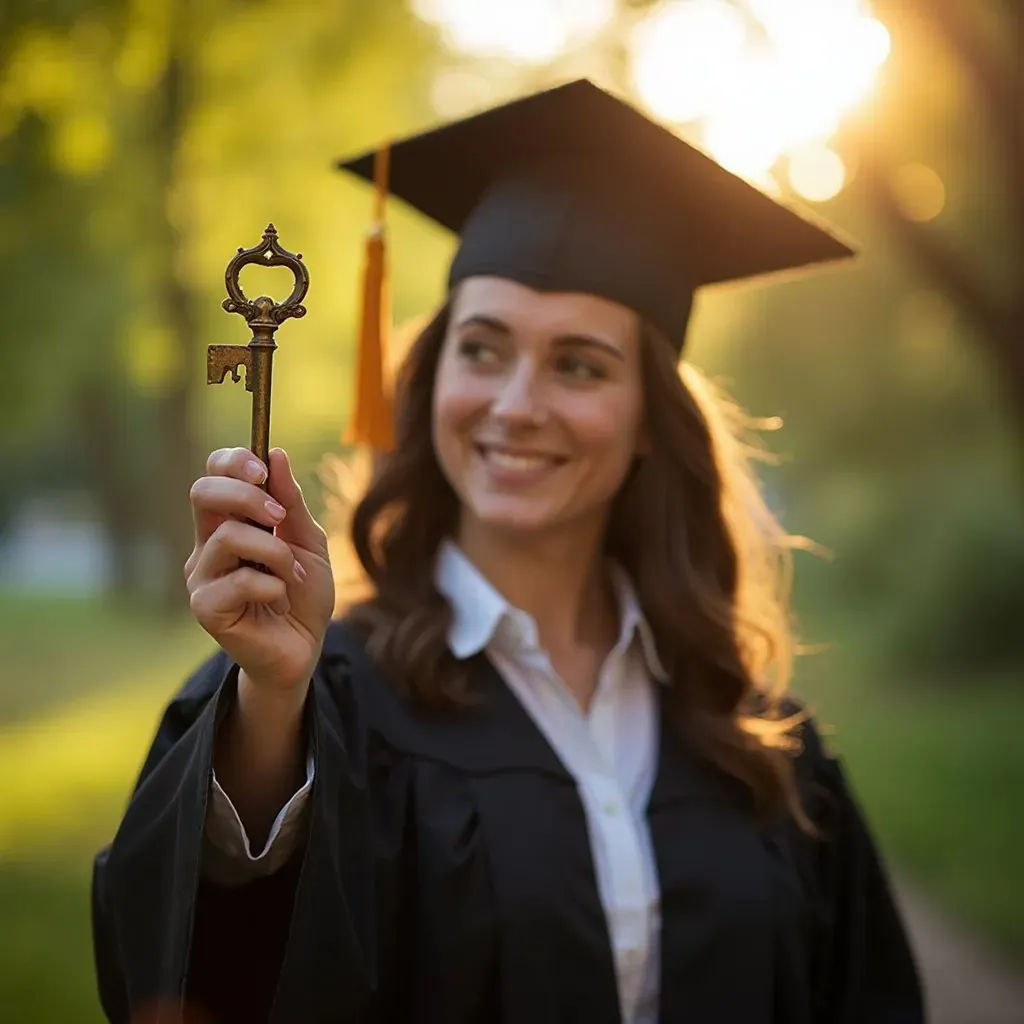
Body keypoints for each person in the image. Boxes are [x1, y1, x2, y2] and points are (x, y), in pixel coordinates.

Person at [92, 80, 925, 1024]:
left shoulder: (757, 739)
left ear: (653, 416)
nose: (517, 403)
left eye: (579, 364)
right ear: (431, 374)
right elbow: (199, 972)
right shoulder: (323, 700)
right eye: (483, 349)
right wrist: (275, 699)